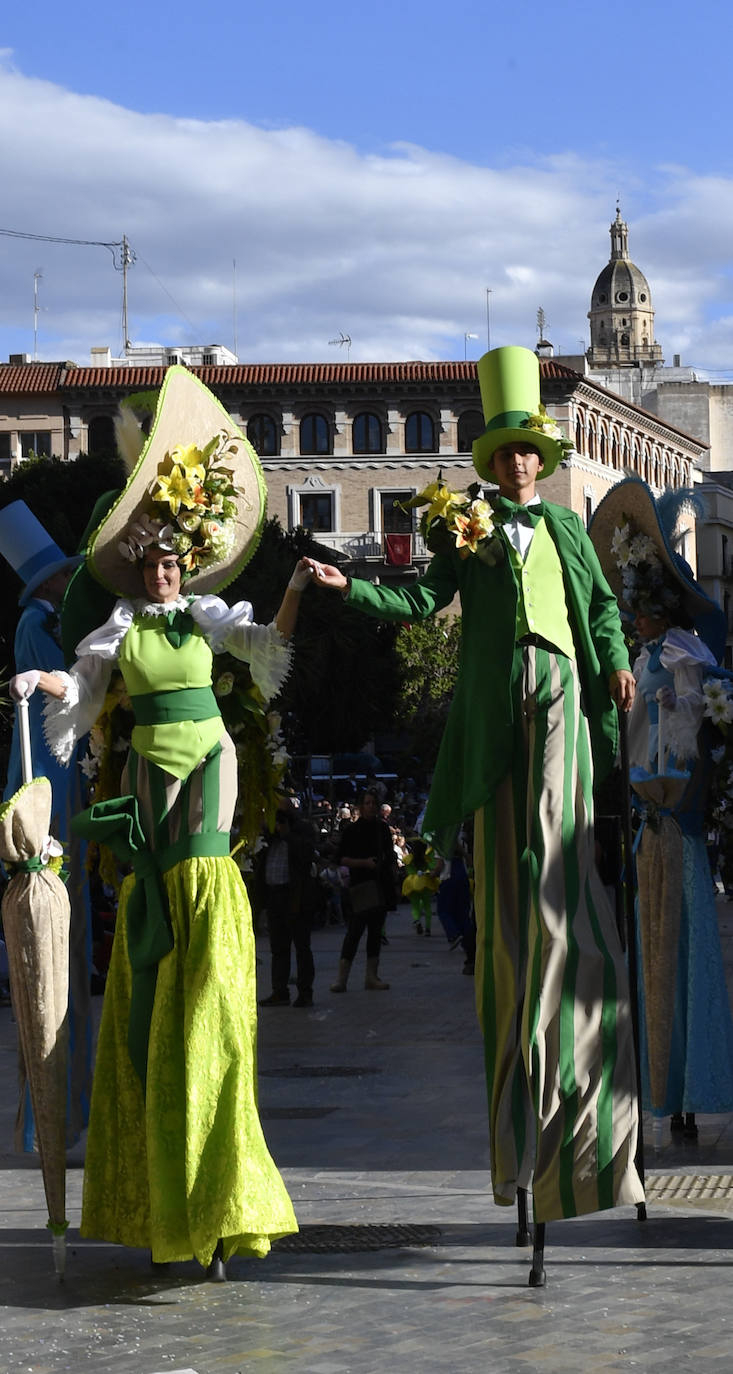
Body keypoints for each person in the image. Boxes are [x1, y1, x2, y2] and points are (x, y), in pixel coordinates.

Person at [307, 345, 645, 1224]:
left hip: (560, 681)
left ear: (539, 458)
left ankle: (562, 927)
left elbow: (598, 608)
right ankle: (518, 939)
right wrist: (353, 589)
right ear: (492, 463)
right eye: (506, 453)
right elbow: (423, 601)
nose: (518, 463)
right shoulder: (466, 524)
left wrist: (613, 663)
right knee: (508, 836)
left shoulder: (565, 529)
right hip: (497, 698)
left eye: (528, 451)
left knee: (557, 828)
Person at [9, 365, 303, 1276]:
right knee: (158, 887)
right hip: (147, 760)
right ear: (138, 570)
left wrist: (299, 590)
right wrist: (41, 679)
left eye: (173, 562)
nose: (164, 572)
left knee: (205, 878)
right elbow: (82, 688)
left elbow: (263, 648)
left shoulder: (203, 618)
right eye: (153, 564)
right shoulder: (118, 630)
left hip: (209, 753)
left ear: (186, 565)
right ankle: (163, 972)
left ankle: (207, 974)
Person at [590, 477, 733, 1139]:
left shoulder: (680, 654)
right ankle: (661, 1089)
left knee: (680, 956)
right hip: (648, 825)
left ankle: (685, 1092)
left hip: (673, 819)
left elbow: (689, 730)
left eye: (639, 606)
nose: (632, 615)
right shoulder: (645, 654)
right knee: (652, 959)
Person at [0, 501, 93, 1148]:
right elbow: (73, 688)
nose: (71, 580)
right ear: (48, 580)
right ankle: (54, 1115)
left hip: (62, 772)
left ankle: (66, 1111)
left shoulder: (46, 620)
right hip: (51, 780)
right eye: (64, 573)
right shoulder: (37, 625)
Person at [331, 789, 395, 992]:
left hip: (380, 885)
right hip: (360, 886)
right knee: (354, 932)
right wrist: (364, 863)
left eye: (373, 803)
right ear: (360, 806)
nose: (371, 806)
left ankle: (371, 976)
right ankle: (342, 978)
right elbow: (341, 858)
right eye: (367, 803)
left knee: (375, 933)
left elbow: (390, 855)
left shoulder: (382, 829)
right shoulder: (352, 831)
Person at [257, 800, 317, 1007]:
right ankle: (279, 991)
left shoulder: (302, 829)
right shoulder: (270, 834)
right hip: (274, 895)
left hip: (295, 897)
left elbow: (306, 855)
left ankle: (305, 992)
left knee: (301, 946)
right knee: (278, 947)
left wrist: (287, 833)